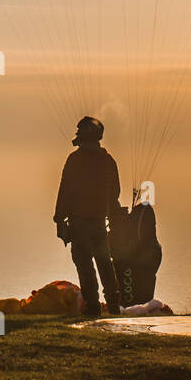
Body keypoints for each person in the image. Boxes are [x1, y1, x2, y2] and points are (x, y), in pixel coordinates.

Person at [53, 116, 122, 318]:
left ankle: (93, 305)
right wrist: (108, 210)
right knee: (104, 261)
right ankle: (113, 303)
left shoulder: (75, 160)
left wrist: (59, 217)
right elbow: (115, 192)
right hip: (99, 221)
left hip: (79, 221)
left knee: (84, 262)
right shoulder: (108, 161)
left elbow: (65, 189)